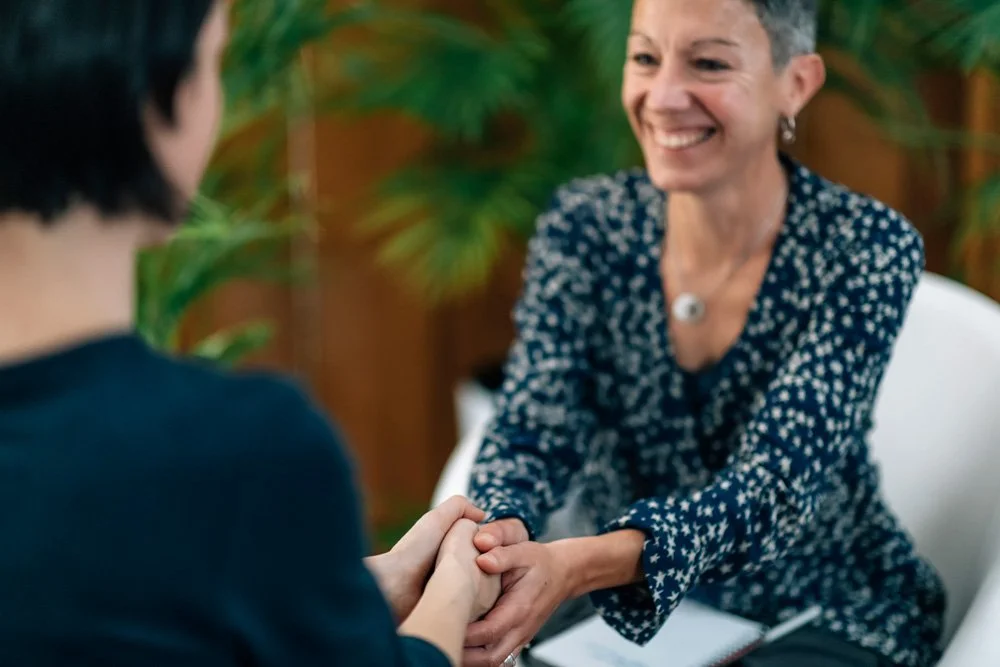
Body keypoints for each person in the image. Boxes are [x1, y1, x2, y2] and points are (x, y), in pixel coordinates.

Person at [0, 1, 498, 665]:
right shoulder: (238, 450)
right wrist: (456, 588)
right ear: (158, 102)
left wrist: (350, 588)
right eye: (212, 64)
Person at [465, 1, 946, 666]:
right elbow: (531, 430)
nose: (662, 97)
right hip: (616, 616)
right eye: (644, 57)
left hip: (820, 605)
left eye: (709, 63)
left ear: (795, 84)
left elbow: (776, 485)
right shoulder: (584, 228)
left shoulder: (865, 247)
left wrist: (575, 564)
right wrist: (497, 543)